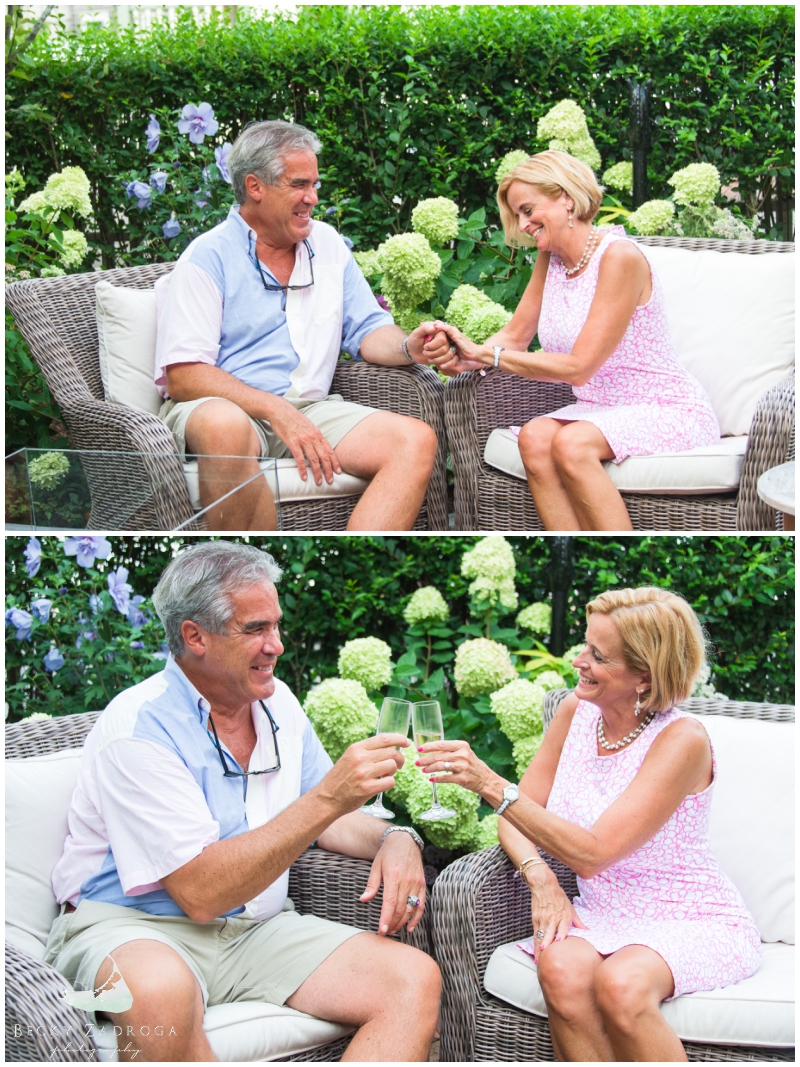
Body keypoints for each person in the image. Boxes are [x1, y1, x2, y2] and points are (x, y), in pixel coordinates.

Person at [46, 541, 440, 1062]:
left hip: (255, 930)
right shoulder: (138, 731)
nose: (276, 645)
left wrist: (395, 837)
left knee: (411, 979)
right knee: (158, 993)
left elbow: (334, 820)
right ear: (195, 637)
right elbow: (202, 893)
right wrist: (327, 799)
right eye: (255, 629)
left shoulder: (276, 703)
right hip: (134, 926)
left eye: (276, 625)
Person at [417, 587, 761, 1062]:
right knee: (557, 966)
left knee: (620, 985)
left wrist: (491, 785)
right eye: (584, 644)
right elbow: (517, 820)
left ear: (644, 674)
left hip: (690, 916)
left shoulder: (682, 740)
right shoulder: (575, 713)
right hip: (602, 912)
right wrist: (541, 880)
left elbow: (593, 853)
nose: (578, 661)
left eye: (597, 656)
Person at [154, 119, 451, 531]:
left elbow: (367, 327)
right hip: (227, 409)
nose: (312, 198)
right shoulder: (205, 258)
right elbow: (184, 376)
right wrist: (275, 410)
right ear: (255, 187)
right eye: (299, 185)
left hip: (314, 409)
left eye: (315, 185)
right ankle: (240, 565)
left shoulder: (327, 244)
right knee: (225, 425)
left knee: (414, 441)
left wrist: (409, 348)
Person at [421, 151, 720, 531]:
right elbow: (515, 335)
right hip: (600, 407)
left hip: (666, 406)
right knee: (534, 437)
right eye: (517, 215)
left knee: (571, 444)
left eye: (528, 210)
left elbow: (579, 368)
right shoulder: (552, 259)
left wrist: (489, 355)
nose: (524, 224)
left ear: (566, 198)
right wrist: (468, 358)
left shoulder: (619, 257)